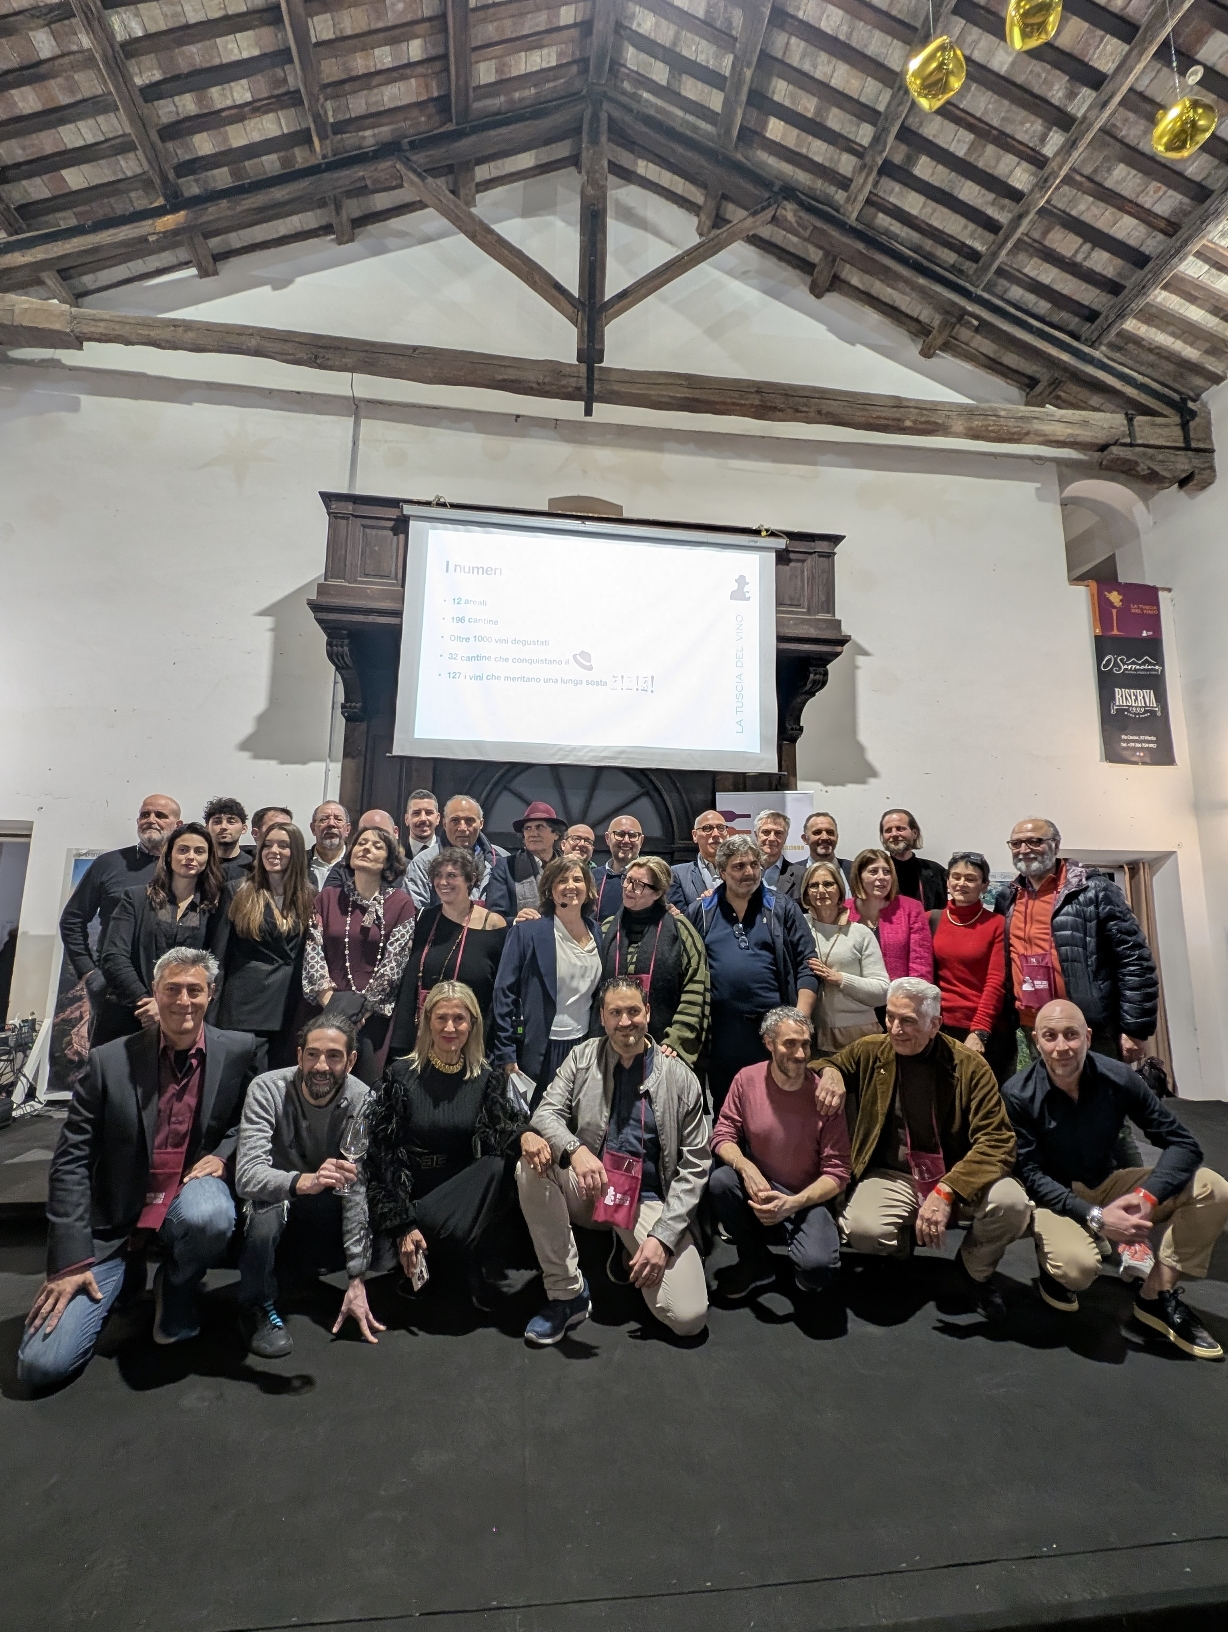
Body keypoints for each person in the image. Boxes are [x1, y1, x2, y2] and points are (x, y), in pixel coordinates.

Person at [18, 949, 259, 1388]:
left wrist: (225, 1154)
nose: (183, 1000)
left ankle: (178, 1284)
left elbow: (254, 1119)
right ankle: (126, 1271)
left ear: (210, 995)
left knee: (212, 1215)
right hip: (115, 1224)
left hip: (184, 1200)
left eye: (194, 990)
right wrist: (70, 1262)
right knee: (40, 1367)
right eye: (172, 989)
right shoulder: (109, 1062)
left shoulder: (239, 1051)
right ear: (154, 993)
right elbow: (71, 1161)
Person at [1002, 999, 1228, 1357]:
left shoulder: (1118, 1077)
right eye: (1050, 1036)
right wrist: (1095, 1217)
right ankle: (1054, 1265)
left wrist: (1147, 1196)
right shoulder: (1017, 1094)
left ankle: (1156, 1297)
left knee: (1213, 1188)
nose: (1062, 1047)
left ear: (1088, 1037)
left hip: (1108, 1185)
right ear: (1036, 1040)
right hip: (1056, 1198)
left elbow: (1183, 1144)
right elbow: (1030, 1176)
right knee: (1076, 1271)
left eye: (1071, 1035)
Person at [815, 977, 1029, 1322]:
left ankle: (974, 1271)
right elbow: (827, 1064)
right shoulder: (872, 1050)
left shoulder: (970, 1067)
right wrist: (831, 1072)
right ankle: (902, 1248)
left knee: (1012, 1204)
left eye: (908, 1021)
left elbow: (998, 1141)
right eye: (891, 1018)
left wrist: (947, 1190)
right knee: (863, 1230)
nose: (896, 1029)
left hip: (958, 1174)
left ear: (935, 1024)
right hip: (895, 1174)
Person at [516, 977, 711, 1344]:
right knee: (530, 1165)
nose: (625, 1022)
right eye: (615, 1013)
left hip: (647, 1201)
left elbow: (697, 1163)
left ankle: (629, 1244)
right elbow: (545, 1113)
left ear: (648, 1014)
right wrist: (575, 1151)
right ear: (602, 1018)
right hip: (592, 1187)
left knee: (688, 1318)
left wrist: (664, 1237)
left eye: (634, 1011)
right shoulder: (583, 1057)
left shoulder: (680, 1076)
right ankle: (567, 1293)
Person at [365, 981, 528, 1310]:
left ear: (473, 1025)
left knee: (499, 1165)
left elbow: (503, 1132)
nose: (450, 1027)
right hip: (416, 1203)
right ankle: (454, 1261)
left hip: (465, 1198)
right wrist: (401, 1225)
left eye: (459, 1019)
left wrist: (531, 1134)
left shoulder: (488, 1077)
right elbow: (381, 1158)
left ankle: (461, 1261)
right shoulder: (400, 1074)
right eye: (441, 1018)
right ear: (427, 1023)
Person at [235, 1015, 381, 1357]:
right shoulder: (266, 1089)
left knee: (365, 1193)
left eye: (333, 1055)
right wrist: (302, 1181)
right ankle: (254, 1304)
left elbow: (355, 1188)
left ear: (351, 1060)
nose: (321, 1065)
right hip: (279, 1197)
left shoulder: (363, 1101)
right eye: (313, 1054)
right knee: (263, 1212)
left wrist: (357, 1278)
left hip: (326, 1207)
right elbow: (247, 1175)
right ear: (299, 1056)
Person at [710, 1006, 851, 1300]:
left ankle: (799, 1252)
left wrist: (793, 1203)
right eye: (790, 1044)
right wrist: (747, 1169)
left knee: (818, 1271)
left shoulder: (824, 1095)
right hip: (762, 1186)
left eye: (805, 1045)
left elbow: (838, 1173)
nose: (800, 1054)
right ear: (769, 1043)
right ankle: (754, 1260)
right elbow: (723, 1134)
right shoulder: (747, 1080)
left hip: (807, 1198)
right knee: (722, 1181)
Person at [997, 817, 1157, 1064]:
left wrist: (1135, 1029)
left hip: (1089, 1027)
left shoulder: (1095, 890)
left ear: (1056, 844)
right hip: (1034, 1026)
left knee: (1101, 1100)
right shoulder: (1007, 897)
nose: (1024, 849)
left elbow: (1134, 961)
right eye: (1016, 843)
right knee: (1050, 1099)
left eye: (1034, 841)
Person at [686, 835, 818, 1112]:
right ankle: (729, 1157)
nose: (749, 872)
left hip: (774, 1033)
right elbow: (685, 969)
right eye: (739, 866)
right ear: (721, 872)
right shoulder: (701, 911)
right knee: (728, 1110)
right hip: (721, 1034)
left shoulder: (782, 907)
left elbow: (807, 964)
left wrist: (799, 1019)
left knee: (775, 1110)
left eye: (754, 864)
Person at [58, 792, 182, 1047]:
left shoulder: (184, 869)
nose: (151, 820)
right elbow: (72, 918)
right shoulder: (109, 864)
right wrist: (88, 972)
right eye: (145, 814)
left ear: (177, 825)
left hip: (171, 989)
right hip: (112, 987)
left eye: (160, 815)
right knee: (109, 1066)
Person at [301, 824, 417, 1084]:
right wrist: (333, 1007)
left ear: (388, 860)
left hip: (371, 1019)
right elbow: (313, 951)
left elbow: (394, 964)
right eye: (362, 843)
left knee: (363, 1093)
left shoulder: (401, 904)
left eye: (377, 846)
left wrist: (357, 1014)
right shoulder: (327, 898)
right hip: (324, 1009)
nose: (366, 848)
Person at [490, 856, 602, 1105]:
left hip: (583, 1046)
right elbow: (503, 993)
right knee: (532, 1124)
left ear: (588, 887)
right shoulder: (527, 931)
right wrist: (506, 1052)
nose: (570, 886)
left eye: (577, 879)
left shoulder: (596, 932)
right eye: (562, 881)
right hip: (538, 1047)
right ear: (550, 890)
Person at [99, 822, 227, 1037]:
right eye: (183, 850)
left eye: (199, 851)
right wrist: (151, 1003)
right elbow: (114, 956)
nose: (191, 857)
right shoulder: (136, 898)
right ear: (169, 855)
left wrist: (174, 1005)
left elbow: (216, 965)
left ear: (208, 859)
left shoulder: (215, 907)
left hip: (187, 1017)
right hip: (134, 1013)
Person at [215, 821, 316, 1074]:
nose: (274, 851)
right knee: (243, 1082)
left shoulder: (310, 895)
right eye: (267, 845)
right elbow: (218, 954)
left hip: (290, 1005)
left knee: (280, 1079)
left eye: (284, 845)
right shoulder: (238, 891)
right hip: (245, 1006)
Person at [388, 846, 507, 1054]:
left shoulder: (493, 925)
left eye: (452, 875)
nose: (443, 882)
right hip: (426, 1035)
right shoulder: (423, 919)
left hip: (473, 1038)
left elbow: (500, 989)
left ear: (470, 880)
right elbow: (409, 982)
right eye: (438, 876)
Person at [596, 855, 709, 1067]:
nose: (629, 887)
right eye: (627, 880)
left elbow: (696, 988)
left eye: (638, 884)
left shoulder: (680, 930)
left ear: (658, 892)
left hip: (666, 1049)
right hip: (612, 1045)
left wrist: (678, 1037)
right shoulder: (607, 929)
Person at [930, 851, 1013, 1084]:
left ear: (985, 885)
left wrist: (980, 1031)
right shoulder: (931, 919)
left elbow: (996, 981)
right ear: (947, 881)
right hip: (942, 1029)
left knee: (987, 1106)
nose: (961, 883)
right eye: (956, 877)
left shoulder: (996, 924)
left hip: (987, 1033)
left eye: (971, 878)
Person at [800, 860, 888, 1052]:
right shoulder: (798, 929)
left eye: (828, 884)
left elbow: (882, 991)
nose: (821, 890)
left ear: (840, 890)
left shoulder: (860, 933)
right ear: (806, 893)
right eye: (813, 885)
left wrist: (840, 979)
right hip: (813, 1036)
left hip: (859, 1035)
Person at [404, 795, 512, 915]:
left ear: (481, 823)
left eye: (469, 821)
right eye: (455, 820)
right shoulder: (423, 863)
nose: (462, 827)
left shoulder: (502, 859)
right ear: (444, 824)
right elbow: (416, 914)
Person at [846, 848, 933, 984]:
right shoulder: (843, 910)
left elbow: (921, 964)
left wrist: (911, 998)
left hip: (899, 998)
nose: (882, 877)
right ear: (859, 876)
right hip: (854, 998)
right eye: (873, 871)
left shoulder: (911, 908)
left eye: (887, 872)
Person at [504, 800, 567, 917]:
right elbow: (496, 912)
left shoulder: (569, 868)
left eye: (540, 827)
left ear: (556, 834)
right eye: (528, 828)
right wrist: (516, 921)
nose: (533, 833)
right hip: (520, 932)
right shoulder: (505, 867)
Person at [880, 809, 948, 910]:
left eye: (900, 829)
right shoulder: (877, 873)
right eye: (888, 830)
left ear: (914, 833)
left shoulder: (936, 871)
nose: (894, 834)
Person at [668, 809, 728, 908]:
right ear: (695, 835)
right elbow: (679, 918)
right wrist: (702, 905)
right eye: (707, 828)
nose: (716, 834)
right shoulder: (678, 874)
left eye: (721, 828)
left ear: (727, 834)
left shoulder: (742, 870)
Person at [591, 814, 645, 918]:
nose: (626, 840)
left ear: (641, 840)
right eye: (619, 834)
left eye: (633, 836)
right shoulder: (592, 877)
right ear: (607, 838)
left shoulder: (652, 877)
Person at [753, 809, 804, 895]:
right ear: (756, 835)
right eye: (766, 832)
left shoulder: (802, 876)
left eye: (778, 833)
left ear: (786, 837)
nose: (772, 838)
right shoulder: (743, 872)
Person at [204, 796, 254, 879]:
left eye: (231, 822)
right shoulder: (200, 864)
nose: (223, 827)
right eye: (217, 822)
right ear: (207, 829)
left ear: (244, 828)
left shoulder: (254, 866)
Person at [307, 801, 351, 891]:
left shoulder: (356, 865)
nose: (331, 824)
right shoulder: (298, 863)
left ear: (347, 829)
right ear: (313, 828)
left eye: (338, 819)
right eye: (324, 819)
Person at [403, 788, 441, 860]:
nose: (423, 819)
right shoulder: (396, 854)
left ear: (438, 818)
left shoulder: (449, 853)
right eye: (416, 813)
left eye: (429, 813)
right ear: (406, 819)